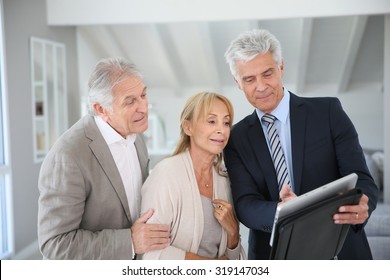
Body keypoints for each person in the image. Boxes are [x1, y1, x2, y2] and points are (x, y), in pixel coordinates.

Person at [223, 29, 378, 260]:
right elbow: (245, 205)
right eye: (249, 79)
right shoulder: (235, 137)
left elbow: (363, 180)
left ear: (281, 67)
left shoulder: (328, 112)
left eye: (267, 73)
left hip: (340, 251)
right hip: (274, 257)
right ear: (237, 82)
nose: (261, 86)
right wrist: (285, 212)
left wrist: (363, 203)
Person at [37, 57, 170, 259]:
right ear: (101, 109)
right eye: (130, 101)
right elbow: (55, 244)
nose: (143, 108)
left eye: (143, 95)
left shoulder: (136, 135)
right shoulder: (67, 157)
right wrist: (130, 242)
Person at [138, 92, 243, 260]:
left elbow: (234, 258)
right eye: (211, 121)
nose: (221, 130)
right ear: (188, 127)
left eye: (226, 122)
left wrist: (233, 232)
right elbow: (151, 254)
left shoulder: (225, 181)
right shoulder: (165, 174)